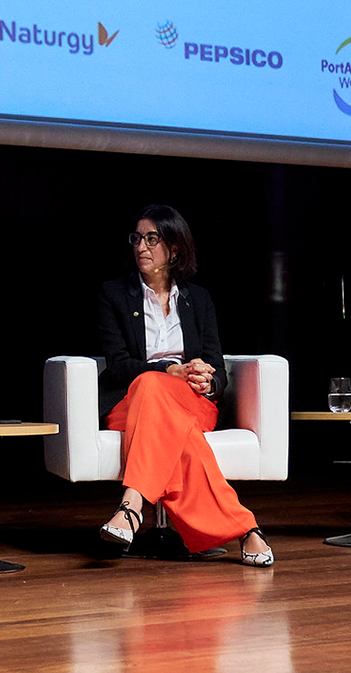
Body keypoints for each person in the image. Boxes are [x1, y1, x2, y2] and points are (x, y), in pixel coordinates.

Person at [93, 205, 273, 567]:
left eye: (152, 239)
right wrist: (167, 370)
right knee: (155, 392)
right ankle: (245, 528)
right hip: (130, 402)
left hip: (191, 401)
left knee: (158, 396)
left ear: (174, 249)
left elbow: (218, 368)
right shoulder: (114, 295)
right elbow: (118, 366)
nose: (141, 246)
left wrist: (208, 381)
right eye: (137, 238)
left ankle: (131, 506)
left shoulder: (198, 299)